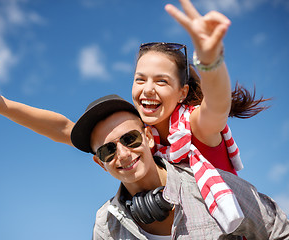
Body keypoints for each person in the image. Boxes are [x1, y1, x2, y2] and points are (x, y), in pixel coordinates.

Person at [0, 0, 269, 233]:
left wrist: (211, 60)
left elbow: (217, 106)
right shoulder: (133, 131)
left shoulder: (194, 125)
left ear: (182, 92)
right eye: (140, 79)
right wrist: (0, 105)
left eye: (162, 81)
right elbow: (63, 127)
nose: (148, 89)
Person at [70, 94, 288, 240]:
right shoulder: (106, 224)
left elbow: (278, 229)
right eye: (108, 150)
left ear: (148, 137)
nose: (124, 154)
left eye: (130, 138)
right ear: (100, 163)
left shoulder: (208, 187)